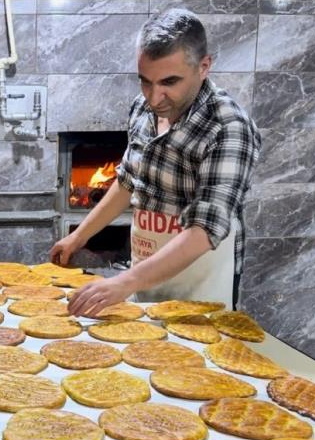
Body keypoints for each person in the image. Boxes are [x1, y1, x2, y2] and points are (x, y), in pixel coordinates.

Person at [50, 8, 261, 317]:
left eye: (169, 82)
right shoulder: (143, 110)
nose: (154, 97)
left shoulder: (227, 127)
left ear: (204, 67)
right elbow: (126, 182)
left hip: (200, 290)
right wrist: (78, 236)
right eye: (145, 81)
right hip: (146, 276)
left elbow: (204, 230)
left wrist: (123, 282)